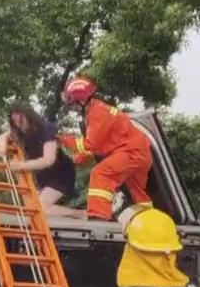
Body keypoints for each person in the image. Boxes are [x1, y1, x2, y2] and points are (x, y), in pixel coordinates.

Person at [58, 76, 153, 220]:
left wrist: (62, 140)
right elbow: (102, 145)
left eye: (74, 104)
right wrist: (80, 158)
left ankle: (98, 216)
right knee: (138, 193)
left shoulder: (97, 113)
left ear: (82, 101)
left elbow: (90, 144)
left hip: (130, 151)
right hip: (138, 152)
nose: (73, 108)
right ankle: (150, 219)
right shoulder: (99, 110)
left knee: (100, 173)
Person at [0, 102, 79, 217]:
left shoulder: (46, 130)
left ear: (29, 116)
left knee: (40, 208)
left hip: (61, 173)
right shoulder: (20, 134)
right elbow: (3, 136)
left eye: (21, 121)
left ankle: (79, 214)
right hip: (43, 175)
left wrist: (21, 165)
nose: (19, 126)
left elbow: (48, 160)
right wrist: (1, 146)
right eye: (15, 123)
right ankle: (76, 214)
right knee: (33, 209)